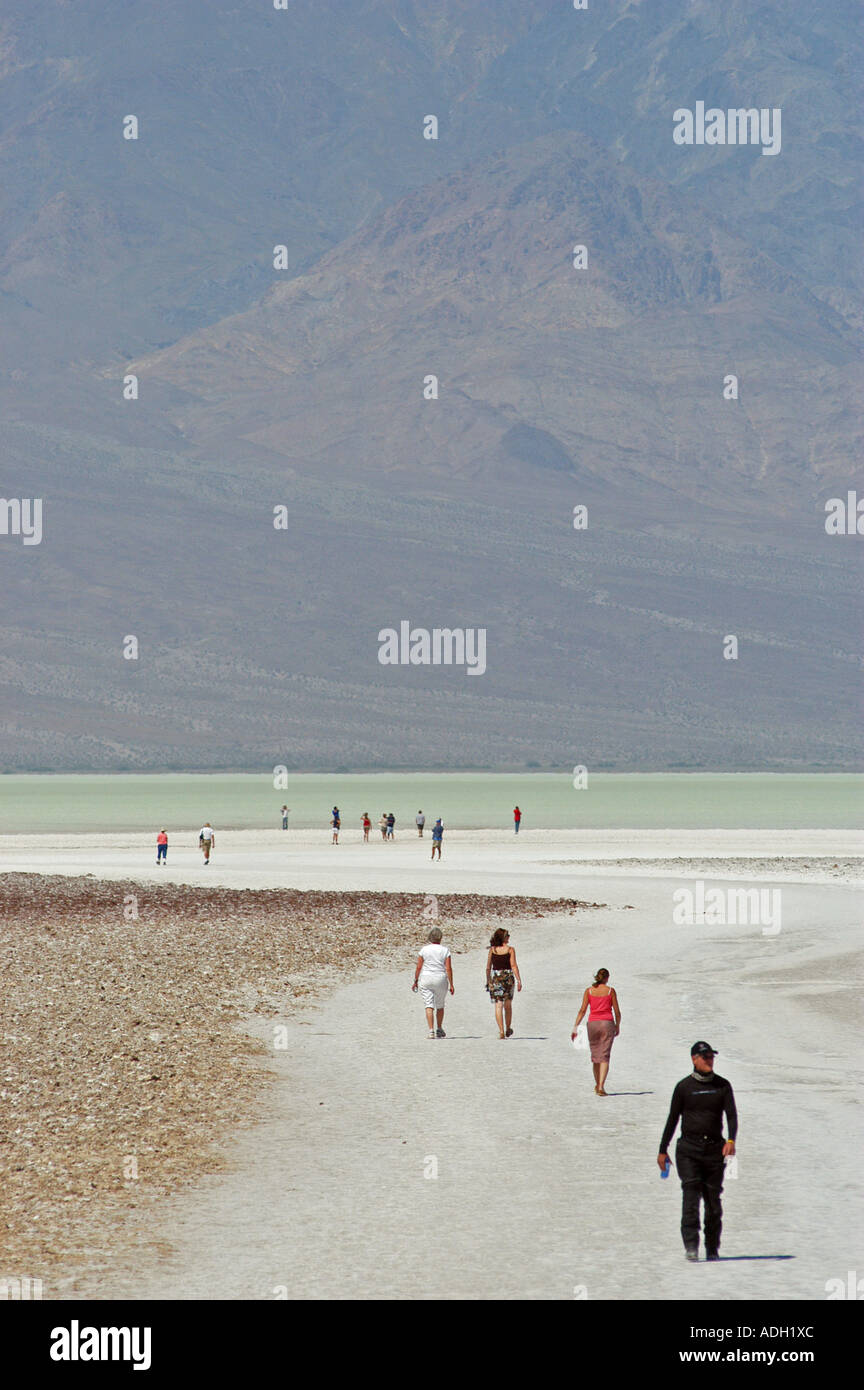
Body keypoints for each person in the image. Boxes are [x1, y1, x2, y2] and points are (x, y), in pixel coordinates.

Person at [657, 1042, 738, 1262]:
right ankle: (691, 1246)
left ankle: (712, 1248)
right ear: (694, 1059)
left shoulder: (723, 1086)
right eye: (705, 1057)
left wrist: (731, 1140)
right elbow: (673, 1119)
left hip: (714, 1150)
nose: (709, 1060)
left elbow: (731, 1115)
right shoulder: (684, 1087)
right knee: (690, 1196)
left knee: (713, 1203)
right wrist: (662, 1150)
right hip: (688, 1150)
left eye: (711, 1056)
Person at [571, 968, 620, 1094]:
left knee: (596, 1056)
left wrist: (575, 1027)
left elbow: (582, 1010)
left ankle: (597, 1083)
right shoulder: (610, 991)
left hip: (592, 1024)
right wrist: (617, 1025)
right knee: (604, 1056)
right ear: (607, 978)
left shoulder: (589, 991)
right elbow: (617, 1011)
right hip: (607, 1023)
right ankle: (601, 1086)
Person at [412, 926, 454, 1038]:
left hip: (426, 977)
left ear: (430, 937)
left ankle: (431, 1031)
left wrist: (415, 980)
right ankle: (439, 1028)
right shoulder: (445, 950)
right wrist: (451, 984)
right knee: (440, 1005)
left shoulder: (424, 950)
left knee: (428, 1005)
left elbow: (418, 967)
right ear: (440, 938)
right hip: (440, 978)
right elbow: (448, 968)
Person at [485, 928, 522, 1038]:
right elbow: (514, 966)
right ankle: (508, 1027)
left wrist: (488, 980)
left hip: (495, 978)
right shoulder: (510, 950)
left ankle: (501, 1031)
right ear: (504, 938)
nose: (509, 937)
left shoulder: (492, 950)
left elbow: (488, 967)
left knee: (498, 1005)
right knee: (508, 1005)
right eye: (507, 935)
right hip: (507, 978)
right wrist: (519, 980)